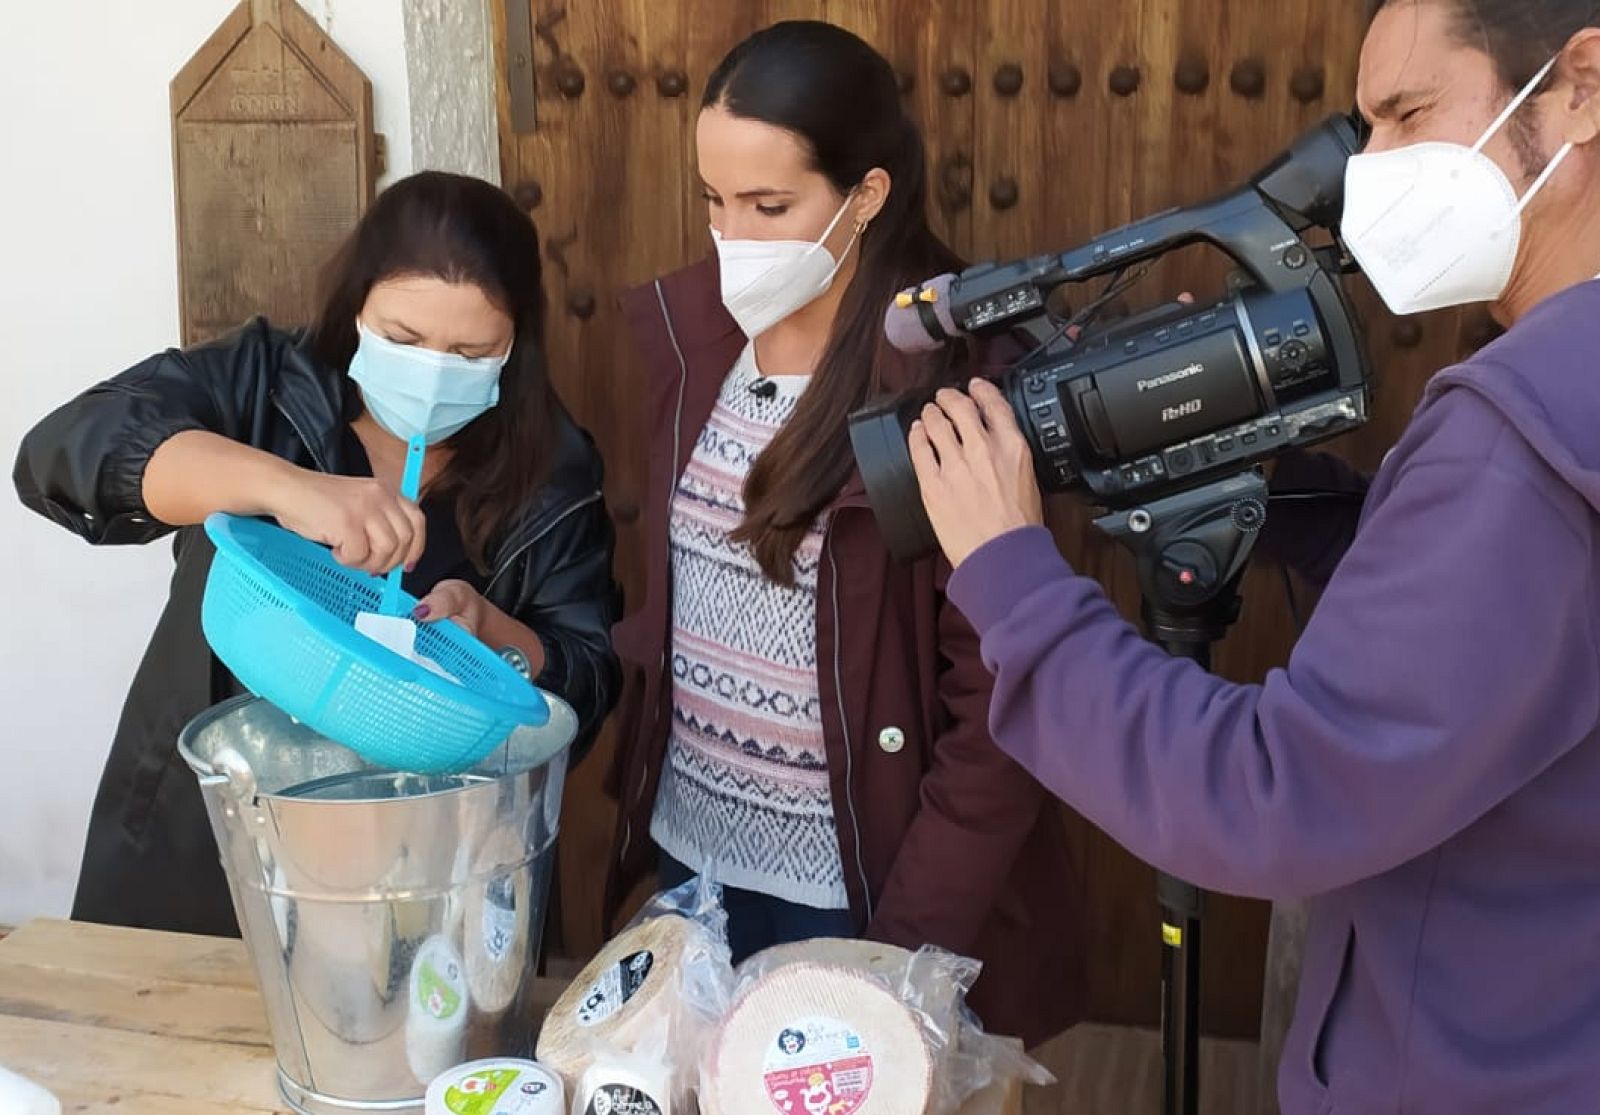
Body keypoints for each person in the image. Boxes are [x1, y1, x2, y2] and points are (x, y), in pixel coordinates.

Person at [907, 1, 1600, 1111]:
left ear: (1581, 86)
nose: (1370, 169)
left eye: (1407, 113)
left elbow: (1267, 796)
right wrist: (1270, 488)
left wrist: (1010, 572)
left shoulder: (1513, 443)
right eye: (1361, 126)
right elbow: (1507, 628)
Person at [604, 20, 1086, 1046]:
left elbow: (999, 708)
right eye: (714, 200)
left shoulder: (953, 387)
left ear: (865, 195)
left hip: (857, 897)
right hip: (693, 870)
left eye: (770, 205)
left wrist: (902, 952)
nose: (733, 235)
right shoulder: (694, 343)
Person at [15, 171, 621, 937]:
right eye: (403, 339)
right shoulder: (266, 384)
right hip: (201, 840)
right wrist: (284, 486)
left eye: (472, 351)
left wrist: (496, 634)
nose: (434, 371)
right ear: (356, 306)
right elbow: (61, 454)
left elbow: (588, 676)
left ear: (517, 347)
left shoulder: (553, 473)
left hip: (431, 880)